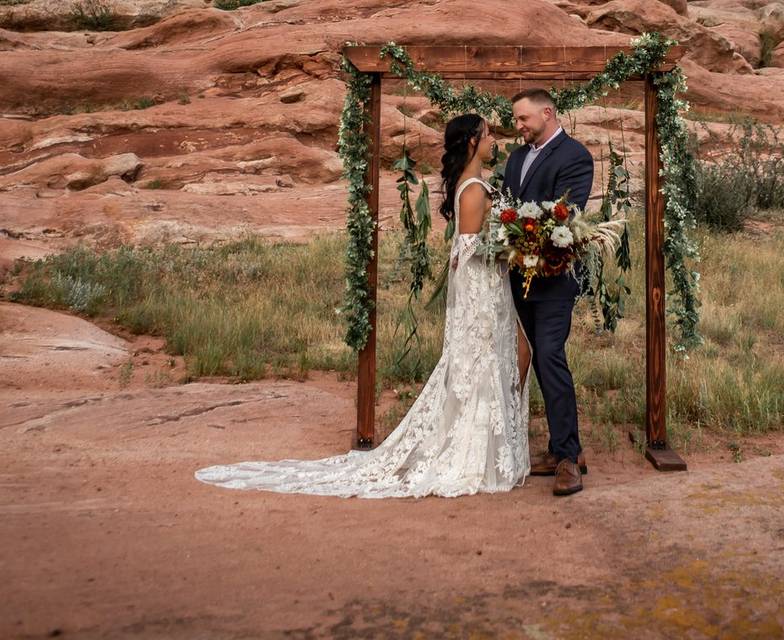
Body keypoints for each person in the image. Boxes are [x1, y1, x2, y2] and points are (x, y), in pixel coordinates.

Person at [195, 114, 532, 498]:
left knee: (502, 355)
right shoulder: (472, 189)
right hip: (482, 288)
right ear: (472, 142)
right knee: (485, 359)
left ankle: (493, 446)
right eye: (487, 135)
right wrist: (513, 246)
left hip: (491, 284)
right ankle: (476, 454)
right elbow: (468, 247)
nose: (493, 141)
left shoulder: (477, 184)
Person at [503, 88, 594, 496]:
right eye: (516, 120)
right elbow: (509, 205)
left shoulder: (575, 155)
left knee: (552, 355)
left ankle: (568, 460)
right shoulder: (518, 157)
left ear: (547, 112)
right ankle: (561, 447)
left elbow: (566, 212)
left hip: (554, 279)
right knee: (538, 359)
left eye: (523, 119)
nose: (518, 126)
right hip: (517, 279)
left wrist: (524, 232)